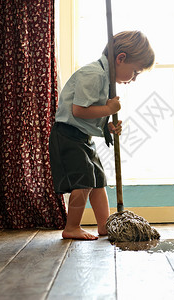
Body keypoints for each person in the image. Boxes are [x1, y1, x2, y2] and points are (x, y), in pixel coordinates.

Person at [49, 31, 155, 240]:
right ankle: (71, 227)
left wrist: (107, 127)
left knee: (98, 180)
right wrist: (108, 110)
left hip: (83, 137)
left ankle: (105, 225)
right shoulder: (94, 74)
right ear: (120, 58)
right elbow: (79, 110)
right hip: (68, 136)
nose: (134, 79)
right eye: (135, 72)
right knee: (83, 181)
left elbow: (90, 115)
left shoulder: (106, 80)